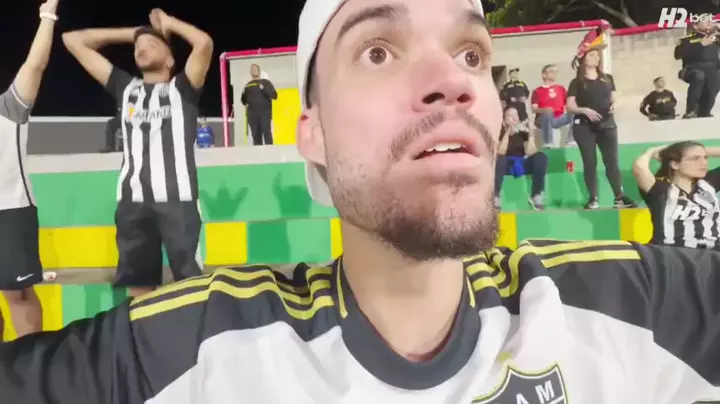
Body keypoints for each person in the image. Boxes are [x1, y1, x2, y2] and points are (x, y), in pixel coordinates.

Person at [5, 1, 720, 403]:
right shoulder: (181, 351)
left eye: (471, 54)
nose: (453, 81)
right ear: (309, 132)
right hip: (136, 209)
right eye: (378, 51)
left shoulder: (638, 305)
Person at [62, 9, 213, 297]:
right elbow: (72, 41)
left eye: (152, 45)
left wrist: (169, 23)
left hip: (177, 200)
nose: (142, 48)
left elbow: (204, 43)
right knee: (139, 285)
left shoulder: (182, 88)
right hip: (132, 201)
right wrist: (134, 33)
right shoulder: (126, 88)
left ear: (170, 61)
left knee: (190, 284)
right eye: (138, 47)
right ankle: (143, 327)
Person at [0, 0, 59, 342]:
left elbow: (35, 66)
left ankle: (31, 360)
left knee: (18, 295)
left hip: (10, 212)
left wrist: (47, 16)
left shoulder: (9, 108)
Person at [566, 43, 637, 210]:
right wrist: (584, 110)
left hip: (607, 124)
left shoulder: (607, 78)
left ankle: (619, 197)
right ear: (583, 59)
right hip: (584, 126)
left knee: (612, 161)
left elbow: (614, 97)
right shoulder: (577, 82)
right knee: (590, 161)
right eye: (592, 55)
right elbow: (570, 105)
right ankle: (593, 198)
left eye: (597, 56)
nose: (596, 58)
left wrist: (616, 104)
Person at [633, 141, 720, 248]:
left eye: (705, 158)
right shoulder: (660, 189)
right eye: (695, 158)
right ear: (675, 164)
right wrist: (651, 152)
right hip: (672, 252)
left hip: (712, 251)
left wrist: (699, 151)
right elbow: (639, 168)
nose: (704, 163)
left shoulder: (708, 183)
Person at [495, 107, 547, 210]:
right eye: (510, 116)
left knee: (541, 157)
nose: (514, 118)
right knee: (499, 159)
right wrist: (507, 132)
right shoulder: (499, 132)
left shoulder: (522, 133)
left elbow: (531, 152)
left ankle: (536, 194)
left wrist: (531, 134)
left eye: (516, 115)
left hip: (520, 163)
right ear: (504, 119)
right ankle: (495, 196)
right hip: (505, 164)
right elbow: (501, 151)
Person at [674, 17, 720, 118]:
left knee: (715, 81)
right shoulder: (687, 39)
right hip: (692, 68)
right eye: (705, 20)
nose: (709, 21)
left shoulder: (715, 37)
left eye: (710, 20)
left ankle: (704, 112)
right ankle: (691, 110)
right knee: (699, 76)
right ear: (695, 25)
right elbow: (678, 55)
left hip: (712, 69)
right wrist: (700, 45)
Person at [530, 64, 573, 147]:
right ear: (544, 75)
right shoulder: (537, 91)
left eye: (555, 71)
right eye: (551, 71)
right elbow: (534, 109)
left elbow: (569, 103)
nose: (554, 73)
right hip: (542, 119)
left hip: (558, 118)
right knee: (548, 112)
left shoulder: (560, 88)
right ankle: (548, 142)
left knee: (575, 112)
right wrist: (544, 110)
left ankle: (571, 141)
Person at [241, 63, 277, 145]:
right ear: (250, 72)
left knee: (266, 133)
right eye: (252, 69)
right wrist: (243, 94)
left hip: (264, 114)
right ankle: (258, 153)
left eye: (255, 69)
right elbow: (243, 101)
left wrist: (263, 89)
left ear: (259, 71)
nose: (253, 70)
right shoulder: (247, 85)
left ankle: (270, 151)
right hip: (252, 115)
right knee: (256, 137)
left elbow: (274, 95)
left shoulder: (266, 82)